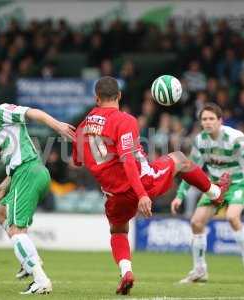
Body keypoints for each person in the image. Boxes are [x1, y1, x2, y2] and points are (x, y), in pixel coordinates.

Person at [72, 76, 230, 295]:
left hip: (113, 194)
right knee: (180, 159)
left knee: (118, 230)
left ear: (96, 98)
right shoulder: (124, 120)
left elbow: (78, 160)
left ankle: (126, 271)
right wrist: (142, 195)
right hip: (142, 182)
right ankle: (215, 192)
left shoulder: (83, 125)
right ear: (119, 96)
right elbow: (128, 159)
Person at [0, 86, 75, 294]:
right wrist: (2, 186)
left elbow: (33, 113)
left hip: (28, 171)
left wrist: (58, 126)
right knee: (0, 213)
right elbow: (13, 159)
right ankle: (28, 260)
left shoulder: (0, 112)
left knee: (17, 232)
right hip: (23, 173)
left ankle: (40, 279)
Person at [171, 102, 244, 283]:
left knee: (232, 217)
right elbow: (191, 169)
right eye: (204, 119)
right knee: (196, 222)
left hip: (240, 182)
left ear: (220, 120)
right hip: (215, 185)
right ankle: (200, 270)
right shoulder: (200, 141)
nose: (207, 122)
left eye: (211, 119)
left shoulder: (235, 138)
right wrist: (179, 195)